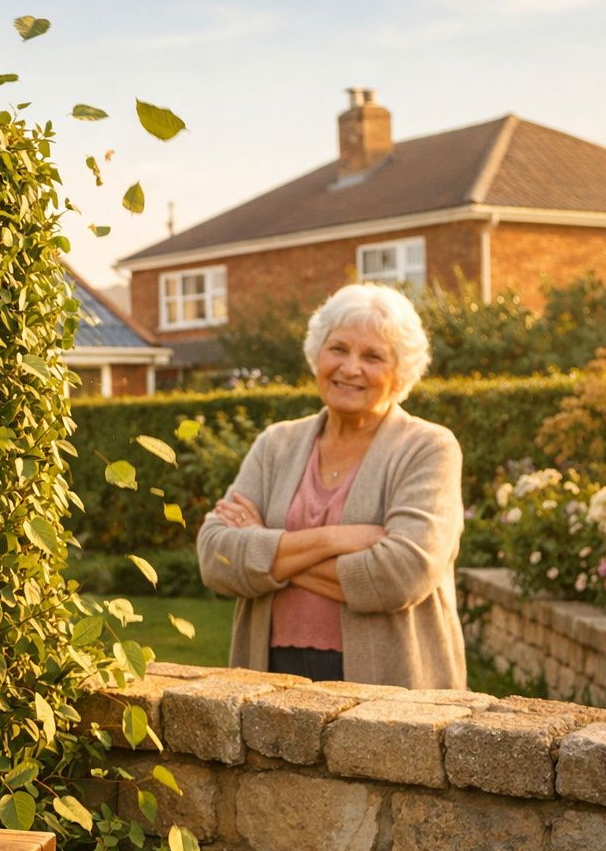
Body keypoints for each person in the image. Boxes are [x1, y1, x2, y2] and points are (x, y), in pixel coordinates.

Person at [197, 283, 464, 687]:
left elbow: (400, 575)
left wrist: (263, 545)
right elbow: (215, 557)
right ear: (317, 355)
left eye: (372, 356)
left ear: (399, 373)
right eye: (338, 348)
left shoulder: (428, 448)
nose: (351, 367)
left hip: (388, 683)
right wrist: (340, 538)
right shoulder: (276, 444)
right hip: (268, 675)